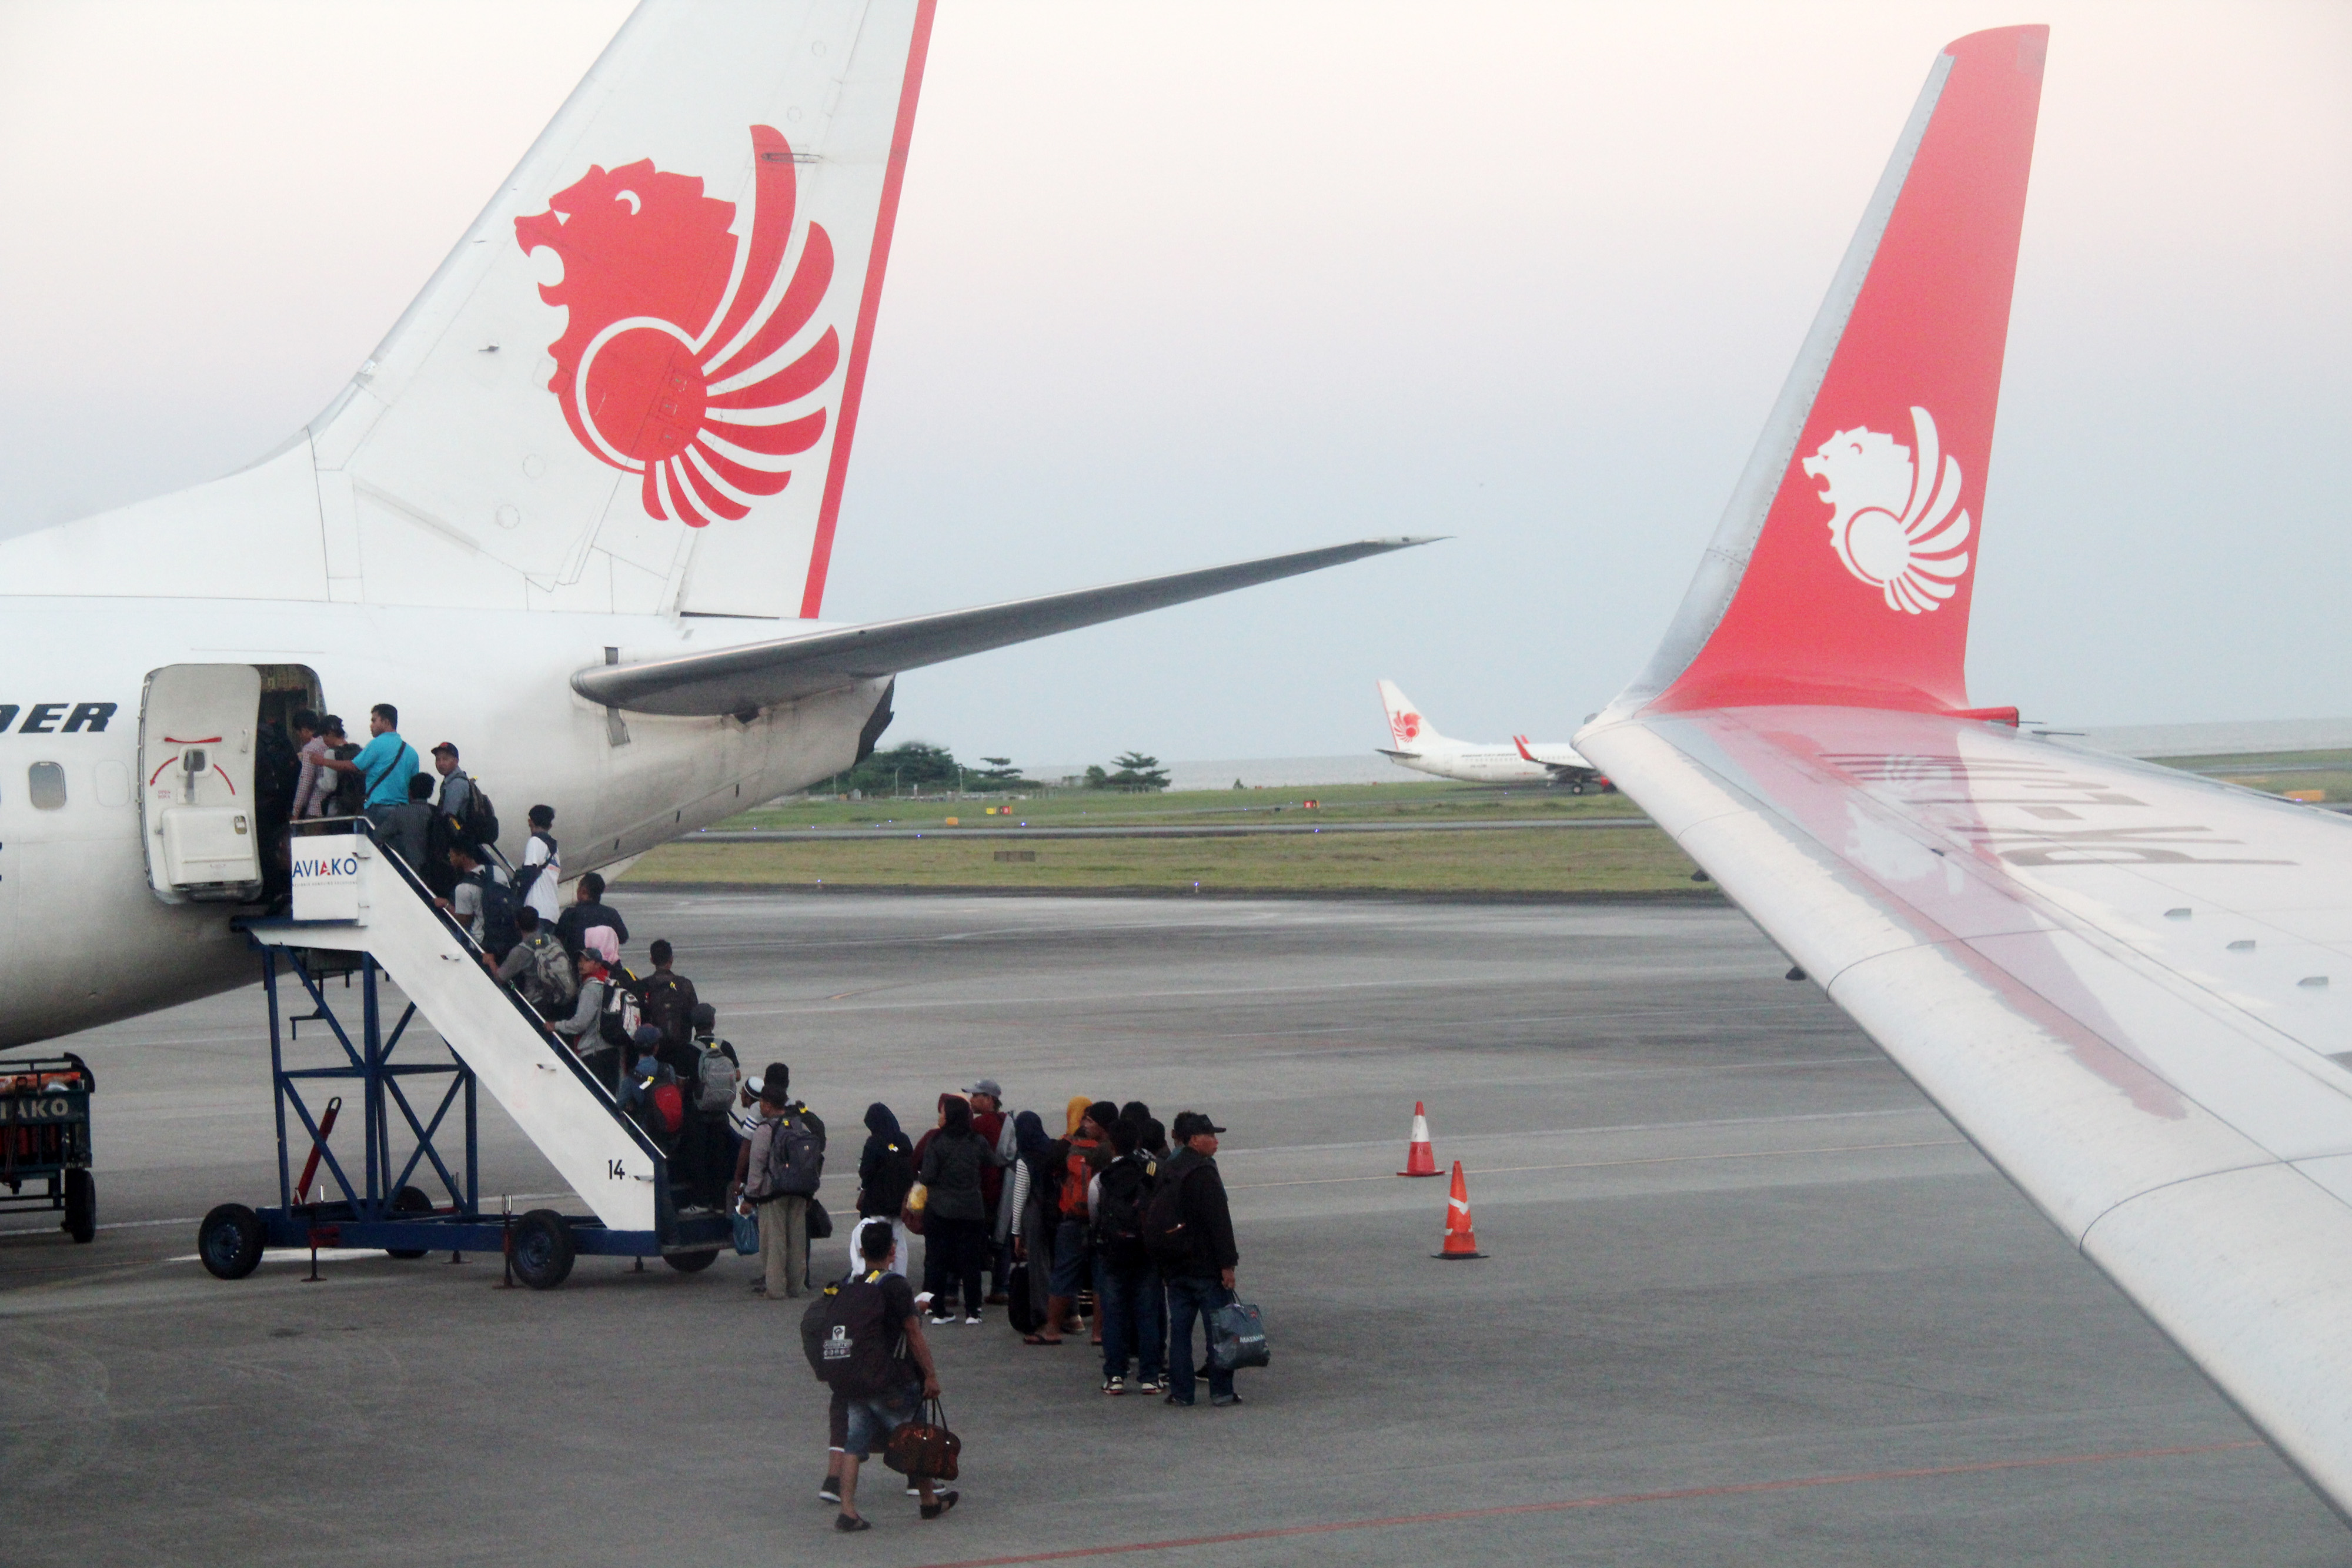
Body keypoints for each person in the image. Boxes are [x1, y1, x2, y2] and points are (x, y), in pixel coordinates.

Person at [827, 1221, 953, 1531]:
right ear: (893, 1250)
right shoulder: (895, 1285)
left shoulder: (851, 1282)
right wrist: (930, 1376)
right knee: (915, 1436)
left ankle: (848, 1509)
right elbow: (912, 1332)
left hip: (855, 1379)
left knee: (854, 1444)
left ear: (861, 1250)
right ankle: (928, 1501)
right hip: (891, 1378)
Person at [1156, 1112, 1241, 1407]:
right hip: (1206, 1267)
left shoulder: (1167, 1170)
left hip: (1176, 1266)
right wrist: (1227, 1264)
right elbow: (1220, 1222)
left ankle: (1181, 1392)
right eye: (1211, 1136)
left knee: (1179, 1332)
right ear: (1195, 1140)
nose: (1216, 1142)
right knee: (1218, 1331)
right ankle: (1221, 1391)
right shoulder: (1205, 1173)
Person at [731, 1063, 825, 1298]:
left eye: (762, 1103)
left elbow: (757, 1166)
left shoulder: (766, 1129)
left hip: (773, 1193)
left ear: (768, 1105)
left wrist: (750, 1198)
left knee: (774, 1241)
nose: (760, 1106)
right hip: (800, 1191)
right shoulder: (798, 1123)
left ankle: (775, 1288)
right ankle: (796, 1285)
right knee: (796, 1240)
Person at [916, 1096, 1006, 1325]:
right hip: (971, 1209)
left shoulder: (936, 1142)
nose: (940, 1117)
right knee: (970, 1261)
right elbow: (993, 1161)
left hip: (940, 1209)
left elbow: (927, 1176)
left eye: (943, 1114)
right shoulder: (976, 1141)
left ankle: (938, 1311)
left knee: (938, 1260)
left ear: (949, 1117)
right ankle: (974, 1311)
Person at [1093, 1117, 1166, 1396]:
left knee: (1114, 1315)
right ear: (1138, 1142)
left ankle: (1115, 1376)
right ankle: (1150, 1376)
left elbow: (1094, 1208)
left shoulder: (1105, 1176)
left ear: (1112, 1145)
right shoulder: (1151, 1169)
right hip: (1145, 1252)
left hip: (1113, 1253)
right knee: (1147, 1313)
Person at [1047, 1099, 1117, 1344]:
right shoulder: (1113, 1150)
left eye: (1090, 1120)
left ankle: (1052, 1329)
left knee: (1063, 1274)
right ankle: (1098, 1333)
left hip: (1074, 1220)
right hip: (1103, 1223)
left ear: (1103, 1126)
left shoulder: (1071, 1145)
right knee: (1102, 1279)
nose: (1084, 1123)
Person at [320, 703, 420, 838]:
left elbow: (354, 766)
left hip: (378, 809)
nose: (371, 725)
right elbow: (413, 790)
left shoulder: (377, 744)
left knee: (371, 850)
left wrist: (323, 761)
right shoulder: (412, 753)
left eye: (374, 720)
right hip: (402, 810)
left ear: (386, 722)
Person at [1010, 1110, 1061, 1345]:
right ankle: (1070, 1316)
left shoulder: (1025, 1158)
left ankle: (1043, 1317)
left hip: (1036, 1215)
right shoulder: (1054, 1149)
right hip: (1058, 1213)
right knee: (1059, 1265)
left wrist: (1015, 1233)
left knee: (1038, 1268)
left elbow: (1020, 1195)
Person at [856, 1102, 916, 1281]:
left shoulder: (874, 1143)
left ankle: (877, 1276)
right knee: (898, 1239)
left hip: (878, 1201)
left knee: (877, 1240)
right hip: (899, 1200)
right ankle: (899, 1276)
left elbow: (866, 1172)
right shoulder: (903, 1139)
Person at [964, 1079, 1013, 1300]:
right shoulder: (1006, 1121)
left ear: (990, 1100)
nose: (971, 1100)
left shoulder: (981, 1125)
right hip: (1005, 1189)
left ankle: (957, 1290)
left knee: (971, 1240)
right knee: (1002, 1238)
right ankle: (1001, 1288)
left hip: (984, 1191)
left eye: (976, 1096)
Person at [487, 905, 574, 1016]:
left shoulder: (520, 951)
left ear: (517, 924)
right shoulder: (552, 939)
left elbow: (500, 978)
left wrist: (491, 961)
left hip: (536, 1004)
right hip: (560, 997)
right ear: (538, 923)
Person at [627, 940, 700, 1071]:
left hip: (654, 1049)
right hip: (681, 1048)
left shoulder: (643, 985)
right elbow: (695, 1015)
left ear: (652, 960)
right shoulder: (685, 984)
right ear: (671, 959)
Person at [554, 871, 628, 961]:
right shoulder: (611, 913)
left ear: (584, 890)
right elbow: (623, 937)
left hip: (578, 966)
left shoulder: (571, 914)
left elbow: (557, 939)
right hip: (607, 967)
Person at [378, 773, 434, 874]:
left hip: (408, 871)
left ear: (410, 792)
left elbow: (378, 836)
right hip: (433, 872)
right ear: (431, 793)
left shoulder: (400, 813)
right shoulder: (437, 812)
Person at [514, 805, 562, 924]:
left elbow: (529, 874)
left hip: (536, 912)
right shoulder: (554, 849)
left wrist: (518, 901)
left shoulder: (535, 842)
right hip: (552, 913)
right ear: (550, 826)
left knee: (531, 943)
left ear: (530, 822)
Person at [290, 710, 332, 820]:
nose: (300, 737)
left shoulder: (310, 748)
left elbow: (305, 782)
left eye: (298, 734)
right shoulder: (330, 743)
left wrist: (295, 812)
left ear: (304, 731)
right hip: (335, 808)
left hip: (317, 808)